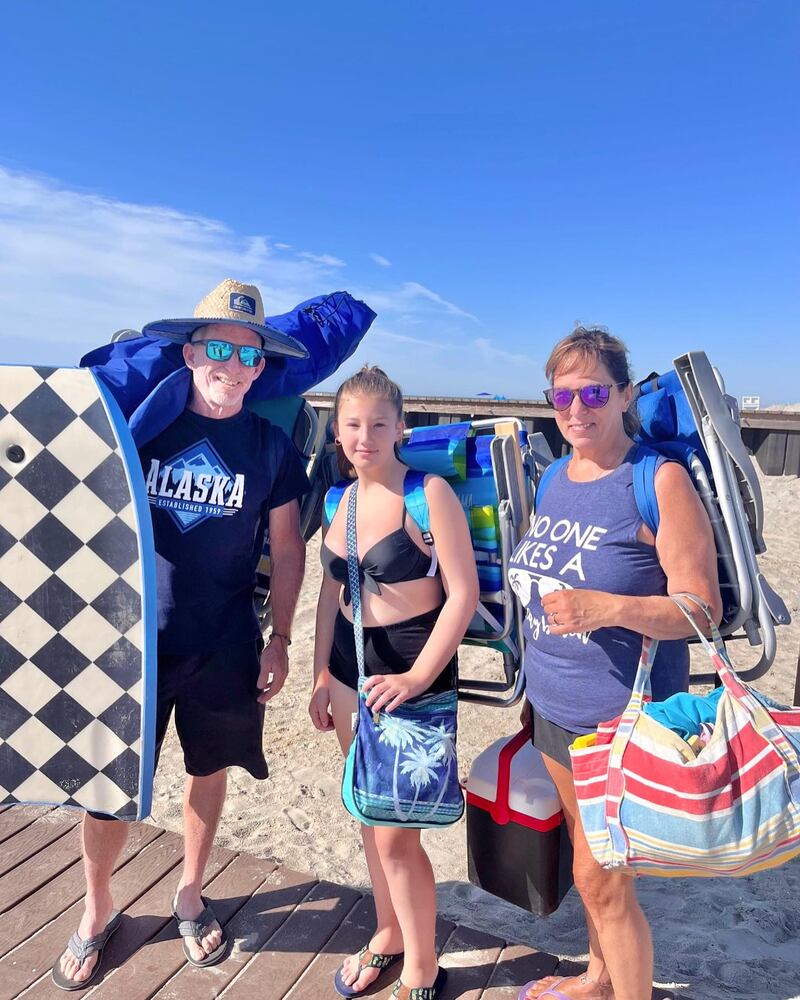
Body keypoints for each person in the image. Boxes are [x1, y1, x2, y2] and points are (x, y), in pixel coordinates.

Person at [54, 279, 309, 989]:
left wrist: (281, 637)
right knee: (105, 786)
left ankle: (191, 892)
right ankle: (97, 911)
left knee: (209, 770)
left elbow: (289, 549)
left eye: (249, 355)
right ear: (192, 352)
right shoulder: (141, 423)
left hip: (225, 640)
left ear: (262, 368)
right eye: (219, 347)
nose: (233, 365)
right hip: (129, 641)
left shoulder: (270, 445)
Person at [508, 327, 722, 1000]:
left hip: (621, 722)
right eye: (562, 395)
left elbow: (701, 610)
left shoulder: (657, 479)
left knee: (604, 882)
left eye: (594, 392)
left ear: (625, 395)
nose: (577, 409)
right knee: (586, 861)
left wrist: (608, 608)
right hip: (552, 707)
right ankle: (599, 976)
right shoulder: (550, 478)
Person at [309, 366, 479, 1000]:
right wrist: (322, 672)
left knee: (396, 835)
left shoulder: (426, 493)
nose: (364, 436)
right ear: (338, 432)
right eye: (351, 424)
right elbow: (331, 594)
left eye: (378, 424)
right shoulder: (338, 499)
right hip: (353, 675)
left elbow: (461, 595)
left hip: (414, 675)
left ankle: (424, 965)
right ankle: (388, 930)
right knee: (366, 812)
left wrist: (416, 676)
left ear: (401, 427)